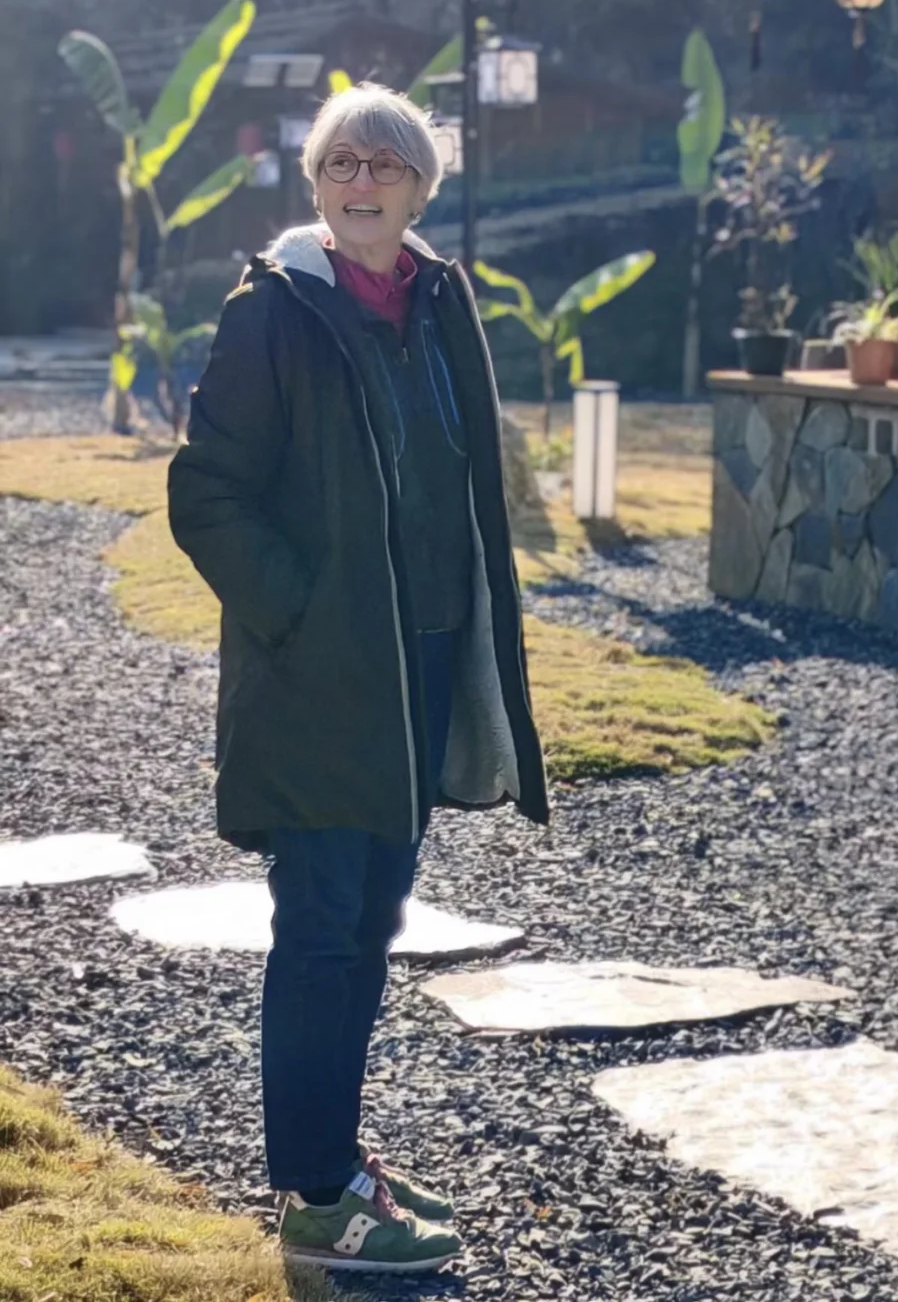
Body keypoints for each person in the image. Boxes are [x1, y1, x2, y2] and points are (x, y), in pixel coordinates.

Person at [168, 82, 549, 1277]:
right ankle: (317, 1192)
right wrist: (298, 609)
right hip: (325, 672)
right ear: (319, 186)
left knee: (373, 918)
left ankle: (331, 1157)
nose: (363, 180)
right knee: (323, 926)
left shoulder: (437, 299)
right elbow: (206, 493)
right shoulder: (275, 313)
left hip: (422, 661)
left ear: (421, 187)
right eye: (343, 163)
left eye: (386, 163)